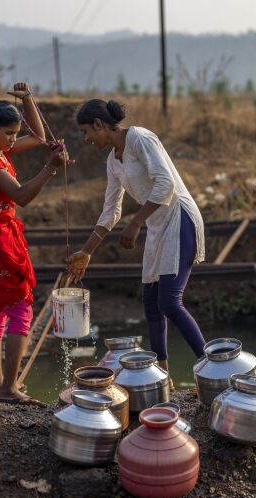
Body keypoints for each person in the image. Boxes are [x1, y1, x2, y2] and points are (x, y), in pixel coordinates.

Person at [67, 99, 206, 387]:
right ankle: (164, 379)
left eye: (86, 131)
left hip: (179, 218)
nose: (86, 138)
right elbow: (111, 209)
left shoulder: (140, 138)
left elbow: (165, 184)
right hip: (156, 224)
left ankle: (211, 370)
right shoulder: (112, 160)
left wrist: (135, 222)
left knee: (169, 301)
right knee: (151, 304)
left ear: (99, 125)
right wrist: (87, 251)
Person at [0, 83, 67, 405]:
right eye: (8, 133)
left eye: (15, 133)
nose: (13, 139)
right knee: (20, 309)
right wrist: (50, 168)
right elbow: (22, 196)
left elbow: (38, 136)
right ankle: (8, 387)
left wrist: (28, 100)